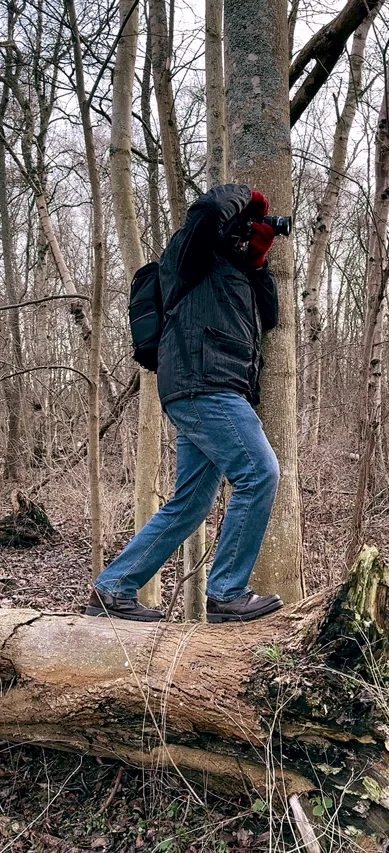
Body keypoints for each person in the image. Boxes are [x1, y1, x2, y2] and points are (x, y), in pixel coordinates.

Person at [86, 184, 283, 623]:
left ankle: (113, 588)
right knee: (260, 473)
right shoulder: (187, 252)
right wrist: (248, 196)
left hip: (215, 387)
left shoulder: (235, 270)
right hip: (202, 383)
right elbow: (209, 210)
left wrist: (258, 260)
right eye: (243, 229)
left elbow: (270, 317)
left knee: (191, 502)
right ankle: (228, 592)